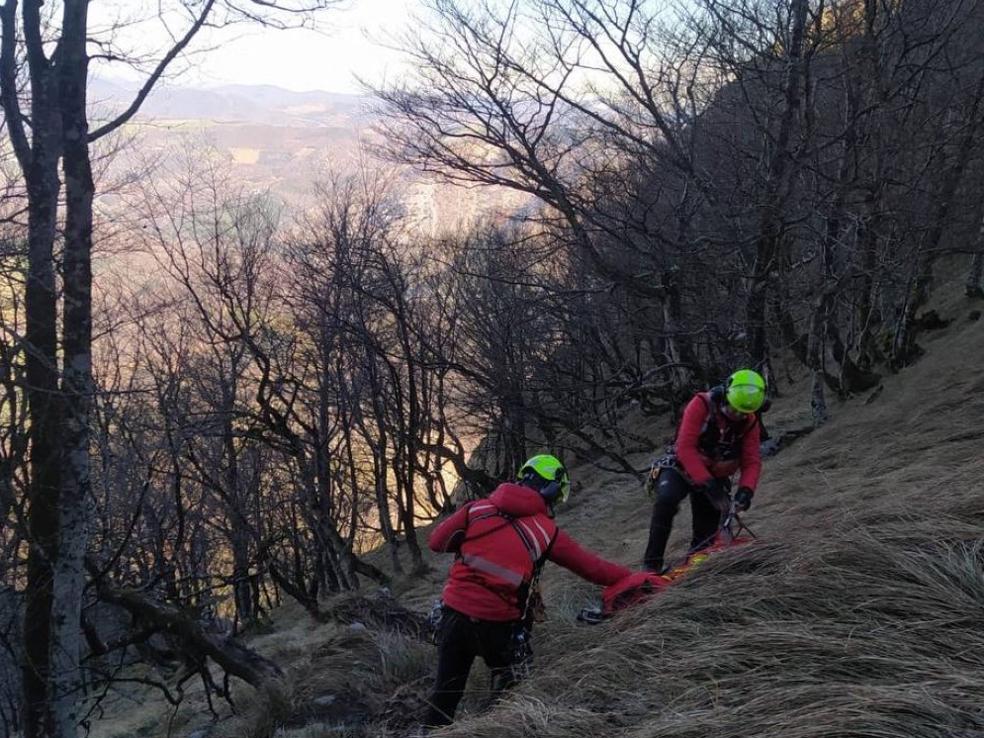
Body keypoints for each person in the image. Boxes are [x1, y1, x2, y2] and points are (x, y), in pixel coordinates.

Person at [423, 454, 634, 728]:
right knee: (516, 684)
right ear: (551, 490)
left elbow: (436, 543)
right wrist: (633, 578)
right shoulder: (546, 532)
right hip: (499, 626)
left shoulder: (476, 510)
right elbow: (592, 568)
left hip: (454, 617)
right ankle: (492, 727)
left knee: (445, 695)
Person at [642, 369, 765, 573]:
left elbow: (751, 461)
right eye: (734, 410)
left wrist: (746, 491)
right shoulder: (701, 404)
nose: (737, 416)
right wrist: (708, 484)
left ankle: (693, 570)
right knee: (666, 500)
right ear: (724, 394)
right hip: (681, 467)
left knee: (706, 535)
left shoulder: (749, 422)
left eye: (742, 413)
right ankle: (651, 565)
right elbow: (685, 448)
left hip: (716, 474)